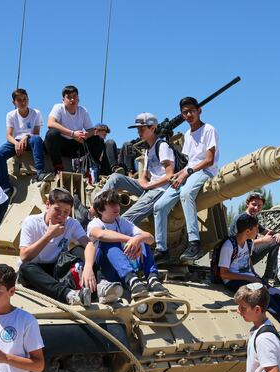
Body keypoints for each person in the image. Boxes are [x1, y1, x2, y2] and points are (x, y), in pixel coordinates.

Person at [153, 96, 219, 263]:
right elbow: (189, 160)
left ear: (199, 111)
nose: (189, 114)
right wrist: (180, 173)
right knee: (159, 206)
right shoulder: (188, 134)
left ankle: (194, 243)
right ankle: (162, 248)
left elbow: (208, 160)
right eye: (185, 112)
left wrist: (186, 172)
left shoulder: (209, 129)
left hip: (206, 171)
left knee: (186, 194)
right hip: (189, 172)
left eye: (191, 111)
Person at [218, 213, 280, 332]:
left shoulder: (247, 242)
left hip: (249, 278)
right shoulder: (229, 246)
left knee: (278, 293)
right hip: (233, 280)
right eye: (256, 228)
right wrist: (250, 279)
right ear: (248, 231)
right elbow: (224, 274)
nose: (258, 231)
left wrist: (254, 275)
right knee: (264, 296)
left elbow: (248, 260)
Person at [83, 191, 168, 300]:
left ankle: (152, 278)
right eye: (112, 204)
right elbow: (101, 234)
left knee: (142, 240)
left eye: (117, 203)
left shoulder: (120, 221)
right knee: (109, 242)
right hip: (103, 270)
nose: (117, 207)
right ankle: (132, 280)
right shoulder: (95, 223)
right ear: (100, 210)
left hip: (121, 267)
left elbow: (150, 239)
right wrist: (131, 239)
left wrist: (138, 239)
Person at [18, 188, 94, 306]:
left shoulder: (71, 223)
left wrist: (88, 268)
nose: (61, 215)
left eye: (66, 212)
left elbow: (88, 244)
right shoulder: (31, 222)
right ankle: (68, 295)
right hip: (35, 270)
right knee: (26, 267)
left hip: (56, 268)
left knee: (79, 250)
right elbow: (24, 256)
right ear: (48, 204)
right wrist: (49, 235)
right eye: (57, 210)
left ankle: (99, 286)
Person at [96, 113, 174, 224]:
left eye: (142, 129)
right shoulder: (148, 149)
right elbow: (144, 176)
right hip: (150, 187)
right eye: (138, 129)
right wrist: (143, 183)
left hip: (161, 190)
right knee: (115, 178)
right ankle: (95, 208)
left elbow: (170, 175)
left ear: (152, 128)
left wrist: (149, 185)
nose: (139, 132)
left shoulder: (162, 146)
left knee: (126, 219)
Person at [44, 85, 104, 179]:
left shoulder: (82, 110)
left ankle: (90, 168)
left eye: (75, 96)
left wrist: (84, 136)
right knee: (52, 133)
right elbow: (50, 123)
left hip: (75, 146)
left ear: (78, 99)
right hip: (60, 145)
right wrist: (73, 134)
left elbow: (91, 130)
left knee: (98, 140)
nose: (72, 99)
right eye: (69, 97)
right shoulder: (58, 107)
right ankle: (58, 167)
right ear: (63, 100)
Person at [0, 88, 47, 184]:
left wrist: (26, 137)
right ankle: (5, 183)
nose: (23, 102)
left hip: (31, 140)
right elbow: (9, 135)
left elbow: (36, 133)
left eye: (25, 99)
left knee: (37, 139)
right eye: (19, 100)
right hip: (16, 141)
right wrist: (16, 143)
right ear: (13, 102)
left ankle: (40, 172)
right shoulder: (10, 115)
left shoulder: (36, 113)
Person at [228, 192, 280, 280]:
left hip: (248, 255)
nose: (256, 208)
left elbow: (265, 231)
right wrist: (262, 240)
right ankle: (268, 277)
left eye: (259, 206)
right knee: (275, 242)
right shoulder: (242, 219)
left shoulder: (253, 219)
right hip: (236, 257)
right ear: (247, 203)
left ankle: (269, 277)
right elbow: (237, 243)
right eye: (253, 204)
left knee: (276, 240)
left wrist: (277, 233)